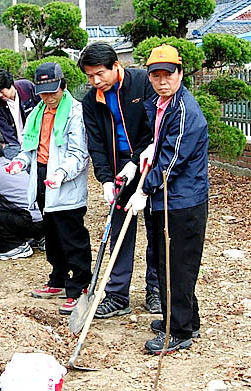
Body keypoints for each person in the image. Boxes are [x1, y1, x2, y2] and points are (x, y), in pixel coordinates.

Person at [126, 44, 209, 354]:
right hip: (167, 197)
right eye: (156, 75)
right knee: (166, 261)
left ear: (180, 74)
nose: (162, 80)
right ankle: (187, 319)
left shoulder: (186, 111)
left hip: (182, 200)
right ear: (149, 77)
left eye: (168, 74)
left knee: (178, 265)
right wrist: (147, 150)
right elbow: (160, 146)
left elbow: (172, 161)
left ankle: (179, 331)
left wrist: (142, 190)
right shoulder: (162, 105)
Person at [78, 41, 162, 318]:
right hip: (118, 169)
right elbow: (97, 144)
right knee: (119, 231)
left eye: (100, 73)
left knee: (157, 227)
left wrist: (136, 161)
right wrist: (104, 179)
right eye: (89, 76)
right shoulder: (92, 100)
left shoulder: (142, 84)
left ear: (116, 66)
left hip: (151, 162)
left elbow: (155, 130)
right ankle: (117, 294)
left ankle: (156, 290)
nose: (95, 81)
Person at [6, 62, 92, 316]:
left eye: (53, 91)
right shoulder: (37, 112)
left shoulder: (75, 112)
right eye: (43, 92)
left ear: (63, 86)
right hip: (43, 176)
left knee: (71, 235)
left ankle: (79, 286)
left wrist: (61, 173)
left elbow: (79, 154)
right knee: (52, 234)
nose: (48, 97)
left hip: (65, 180)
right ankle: (58, 279)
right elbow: (30, 149)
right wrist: (20, 162)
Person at [0, 139, 44, 260]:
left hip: (31, 222)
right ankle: (40, 238)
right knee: (2, 206)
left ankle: (14, 247)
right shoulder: (11, 164)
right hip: (44, 219)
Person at [0, 69, 40, 159]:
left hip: (37, 140)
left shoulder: (27, 88)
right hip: (16, 145)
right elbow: (7, 133)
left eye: (1, 91)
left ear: (10, 85)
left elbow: (42, 107)